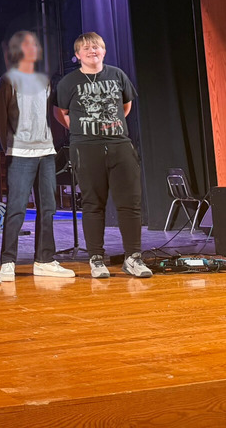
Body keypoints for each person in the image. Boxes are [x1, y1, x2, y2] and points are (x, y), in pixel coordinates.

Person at [53, 32, 152, 279]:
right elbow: (61, 112)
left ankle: (133, 258)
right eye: (86, 49)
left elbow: (126, 106)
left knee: (130, 203)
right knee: (92, 204)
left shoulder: (117, 75)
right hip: (86, 148)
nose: (92, 51)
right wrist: (83, 129)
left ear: (104, 51)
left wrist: (110, 126)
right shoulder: (68, 82)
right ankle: (96, 259)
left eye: (96, 47)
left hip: (119, 144)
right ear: (77, 56)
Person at [0, 31, 76, 282]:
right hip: (19, 152)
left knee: (48, 207)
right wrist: (7, 145)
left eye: (35, 44)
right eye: (27, 44)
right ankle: (8, 261)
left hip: (46, 152)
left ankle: (45, 259)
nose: (32, 48)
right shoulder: (8, 80)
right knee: (16, 208)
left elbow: (54, 111)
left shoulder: (46, 80)